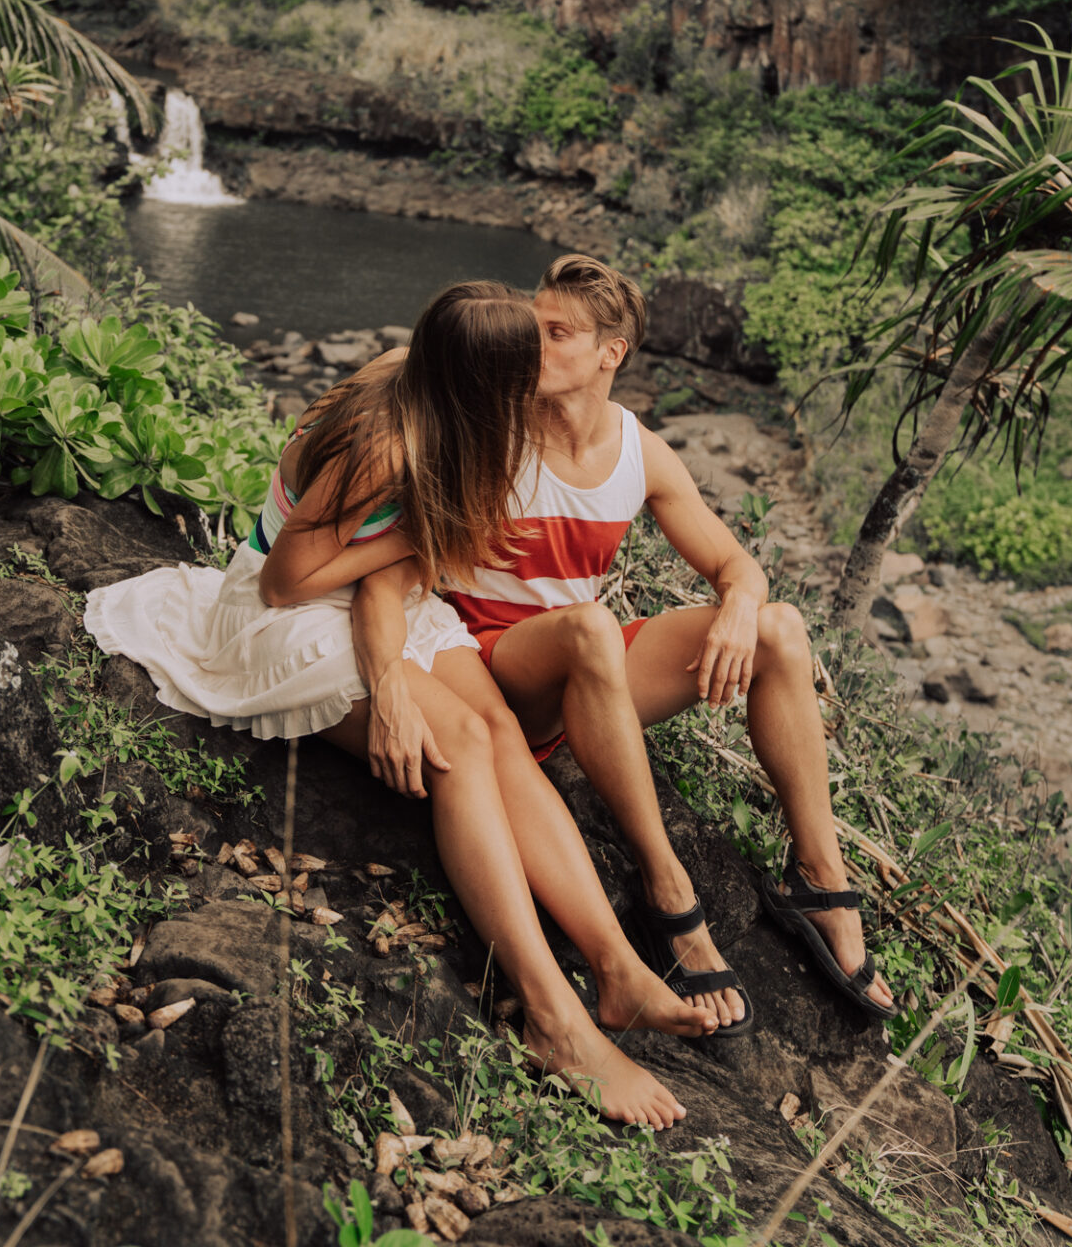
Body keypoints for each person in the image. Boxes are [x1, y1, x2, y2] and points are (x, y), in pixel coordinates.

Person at [86, 279, 716, 1128]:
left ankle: (614, 968)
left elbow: (390, 576)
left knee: (494, 723)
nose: (539, 382)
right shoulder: (388, 438)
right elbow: (284, 581)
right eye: (524, 366)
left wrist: (400, 616)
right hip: (286, 615)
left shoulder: (445, 404)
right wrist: (412, 581)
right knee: (455, 739)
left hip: (379, 600)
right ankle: (552, 1019)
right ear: (478, 380)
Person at [445, 255, 896, 1034]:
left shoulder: (638, 452)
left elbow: (733, 563)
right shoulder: (491, 416)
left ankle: (819, 879)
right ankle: (666, 885)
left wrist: (738, 605)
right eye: (530, 329)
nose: (532, 347)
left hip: (577, 677)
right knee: (590, 627)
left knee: (778, 629)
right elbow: (410, 373)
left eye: (556, 335)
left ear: (609, 353)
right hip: (488, 672)